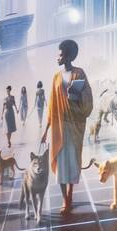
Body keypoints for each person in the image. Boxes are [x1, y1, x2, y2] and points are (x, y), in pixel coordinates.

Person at [40, 39, 93, 215]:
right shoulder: (56, 77)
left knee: (72, 162)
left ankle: (70, 195)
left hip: (74, 125)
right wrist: (46, 130)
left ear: (68, 56)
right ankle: (65, 199)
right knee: (61, 164)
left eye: (61, 54)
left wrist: (75, 96)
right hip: (59, 127)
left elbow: (87, 97)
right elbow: (52, 105)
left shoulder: (79, 73)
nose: (58, 57)